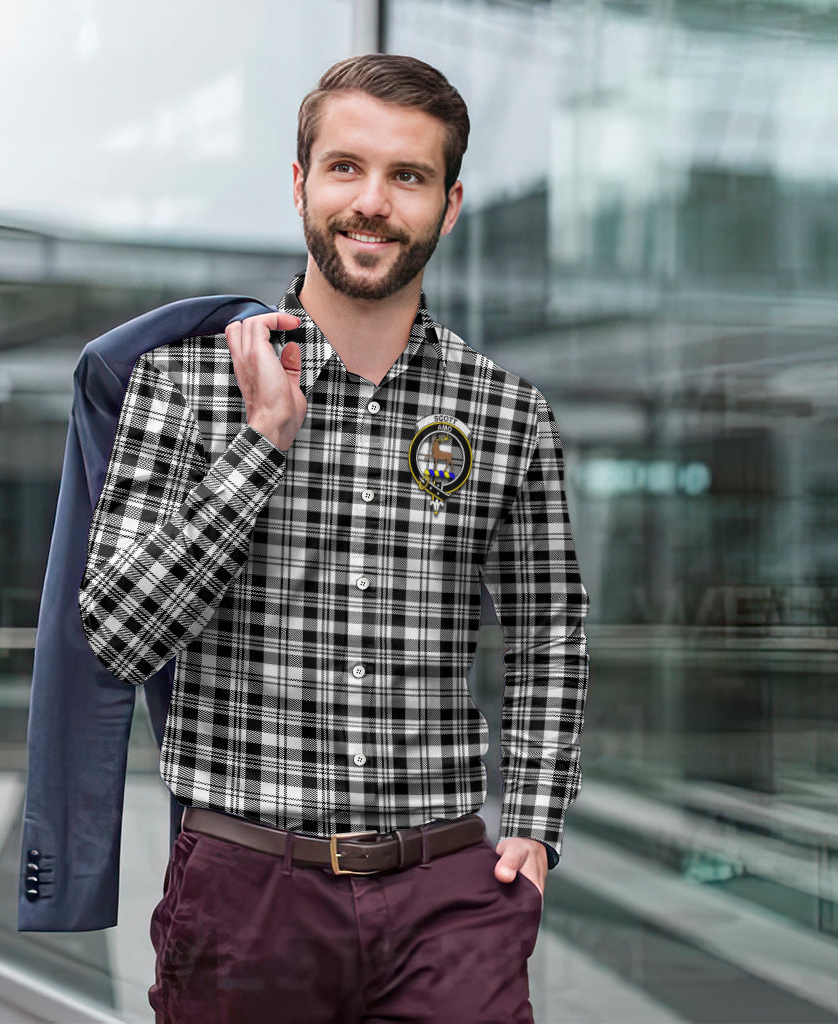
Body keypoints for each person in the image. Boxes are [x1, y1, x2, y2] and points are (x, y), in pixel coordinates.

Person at [79, 53, 589, 1024]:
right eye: (347, 167)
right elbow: (117, 635)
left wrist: (533, 820)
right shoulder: (183, 386)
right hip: (247, 894)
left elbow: (547, 629)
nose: (373, 201)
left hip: (447, 895)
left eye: (409, 176)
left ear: (449, 203)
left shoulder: (505, 411)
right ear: (301, 182)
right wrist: (262, 443)